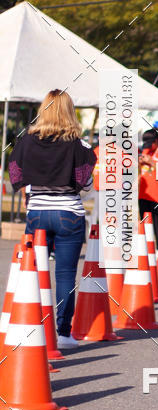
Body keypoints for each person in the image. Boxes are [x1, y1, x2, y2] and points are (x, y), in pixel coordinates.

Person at [8, 90, 96, 349]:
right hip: (69, 213)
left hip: (37, 213)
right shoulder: (81, 146)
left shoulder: (26, 142)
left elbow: (16, 173)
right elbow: (85, 184)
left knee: (32, 273)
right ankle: (62, 333)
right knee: (66, 275)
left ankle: (29, 327)